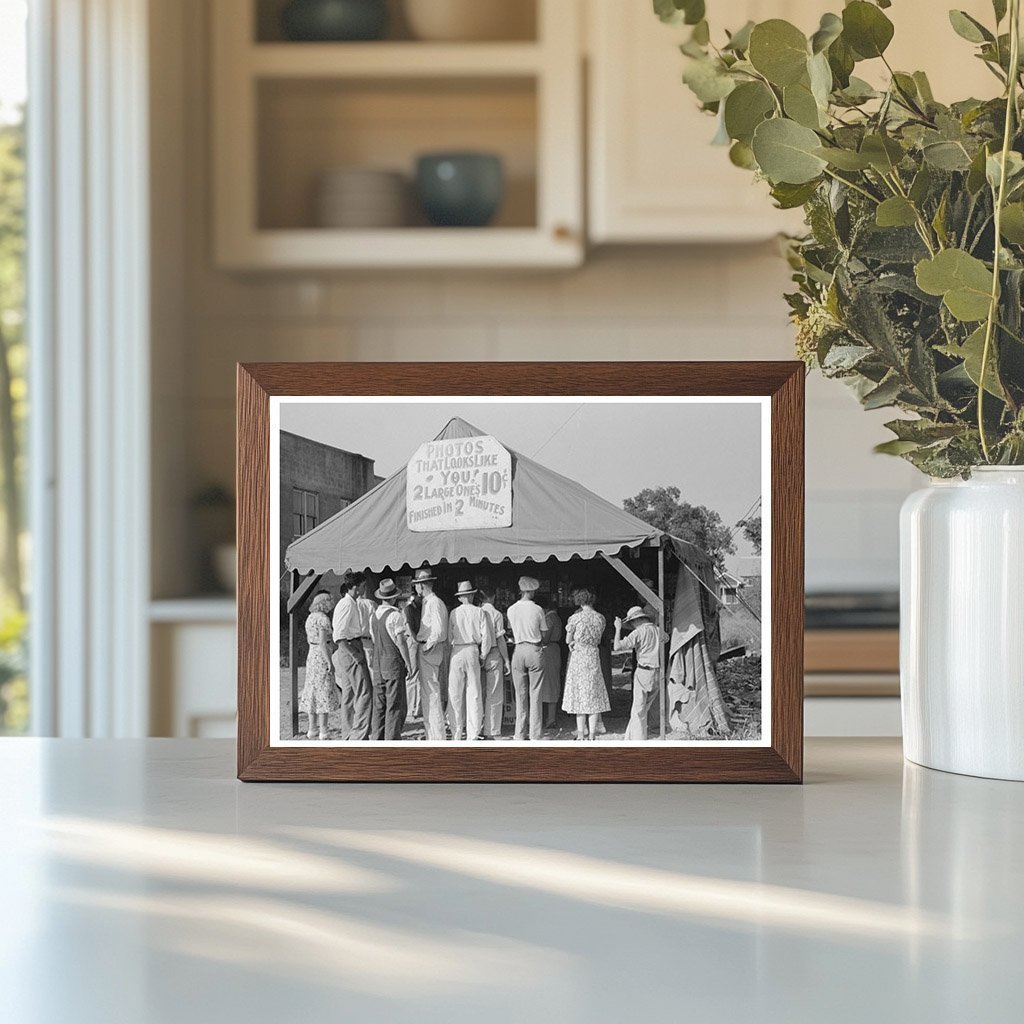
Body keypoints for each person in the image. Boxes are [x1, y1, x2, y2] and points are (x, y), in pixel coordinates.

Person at [446, 581, 494, 740]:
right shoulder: (480, 612)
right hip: (473, 650)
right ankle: (473, 734)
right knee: (474, 693)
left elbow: (449, 637)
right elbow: (486, 636)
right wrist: (483, 655)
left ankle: (456, 732)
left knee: (455, 693)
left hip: (457, 650)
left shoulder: (454, 613)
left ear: (460, 598)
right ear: (472, 595)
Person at [561, 587, 610, 741]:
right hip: (593, 655)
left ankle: (581, 733)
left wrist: (573, 642)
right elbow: (600, 638)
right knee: (594, 693)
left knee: (579, 693)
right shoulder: (600, 618)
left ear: (580, 602)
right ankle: (593, 734)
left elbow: (568, 640)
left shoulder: (575, 618)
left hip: (579, 656)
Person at [369, 579, 415, 740]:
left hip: (378, 663)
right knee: (395, 704)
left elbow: (375, 639)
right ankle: (392, 739)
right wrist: (408, 663)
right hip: (393, 663)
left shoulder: (374, 616)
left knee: (379, 704)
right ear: (394, 597)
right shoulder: (395, 615)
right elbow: (401, 642)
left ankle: (377, 738)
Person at [507, 576, 550, 741]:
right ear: (530, 591)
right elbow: (544, 632)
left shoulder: (511, 609)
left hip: (518, 650)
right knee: (536, 693)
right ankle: (535, 734)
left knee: (520, 694)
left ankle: (519, 733)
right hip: (534, 649)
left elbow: (511, 629)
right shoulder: (538, 609)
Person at [332, 571, 373, 741]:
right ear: (355, 587)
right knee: (365, 692)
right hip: (350, 646)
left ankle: (348, 732)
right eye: (362, 586)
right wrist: (354, 655)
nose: (364, 589)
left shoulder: (350, 603)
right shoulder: (347, 604)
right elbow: (339, 635)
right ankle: (359, 733)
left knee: (349, 693)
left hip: (350, 646)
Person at [613, 605, 662, 741]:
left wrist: (617, 629)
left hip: (643, 672)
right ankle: (629, 737)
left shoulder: (638, 632)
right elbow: (667, 638)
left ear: (635, 621)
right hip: (657, 672)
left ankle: (637, 740)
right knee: (644, 708)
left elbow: (617, 646)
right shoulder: (658, 631)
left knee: (638, 709)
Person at [412, 567, 448, 741]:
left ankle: (436, 736)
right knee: (429, 693)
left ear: (421, 586)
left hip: (430, 649)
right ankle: (432, 734)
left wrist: (427, 647)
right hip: (429, 647)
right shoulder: (428, 602)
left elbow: (439, 631)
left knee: (431, 693)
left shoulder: (433, 602)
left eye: (417, 585)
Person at [299, 591, 340, 740]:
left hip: (312, 654)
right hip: (322, 656)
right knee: (323, 691)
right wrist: (330, 661)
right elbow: (323, 642)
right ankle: (323, 730)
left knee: (312, 690)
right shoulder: (323, 619)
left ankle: (311, 729)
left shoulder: (310, 618)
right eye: (329, 601)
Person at [478, 585, 511, 740]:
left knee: (478, 692)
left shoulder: (476, 612)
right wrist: (506, 660)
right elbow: (500, 640)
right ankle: (491, 729)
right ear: (492, 597)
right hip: (493, 654)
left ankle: (476, 726)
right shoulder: (496, 614)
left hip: (477, 654)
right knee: (494, 693)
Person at [536, 593, 563, 730]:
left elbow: (545, 638)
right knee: (552, 684)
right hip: (554, 650)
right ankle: (550, 718)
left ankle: (550, 718)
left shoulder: (549, 618)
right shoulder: (555, 617)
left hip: (548, 650)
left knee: (548, 684)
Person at [402, 591, 423, 719]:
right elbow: (409, 627)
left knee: (419, 676)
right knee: (411, 674)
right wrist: (416, 640)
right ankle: (411, 708)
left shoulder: (421, 608)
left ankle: (417, 707)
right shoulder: (409, 609)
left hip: (418, 642)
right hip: (413, 641)